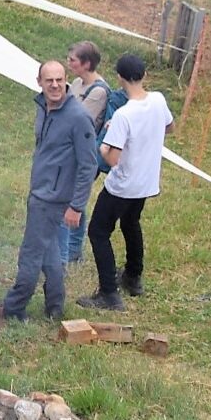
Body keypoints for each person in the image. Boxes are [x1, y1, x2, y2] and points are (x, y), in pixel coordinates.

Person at [1, 61, 99, 322]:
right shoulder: (44, 107)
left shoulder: (78, 117)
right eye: (49, 80)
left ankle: (13, 308)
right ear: (39, 82)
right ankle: (55, 307)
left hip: (51, 199)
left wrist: (76, 206)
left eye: (59, 80)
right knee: (51, 252)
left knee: (31, 254)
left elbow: (88, 165)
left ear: (66, 79)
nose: (55, 85)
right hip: (41, 193)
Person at [79, 53, 174, 312]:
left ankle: (109, 293)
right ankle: (133, 276)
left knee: (98, 232)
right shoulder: (158, 100)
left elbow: (112, 159)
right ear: (145, 75)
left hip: (122, 185)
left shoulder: (124, 114)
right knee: (131, 223)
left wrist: (103, 145)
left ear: (119, 78)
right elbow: (169, 126)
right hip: (146, 183)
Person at [61, 40, 124, 264]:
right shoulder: (78, 83)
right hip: (69, 151)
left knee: (75, 201)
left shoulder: (98, 91)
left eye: (73, 60)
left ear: (86, 63)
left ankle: (73, 249)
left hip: (85, 155)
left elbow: (77, 121)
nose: (68, 64)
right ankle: (68, 246)